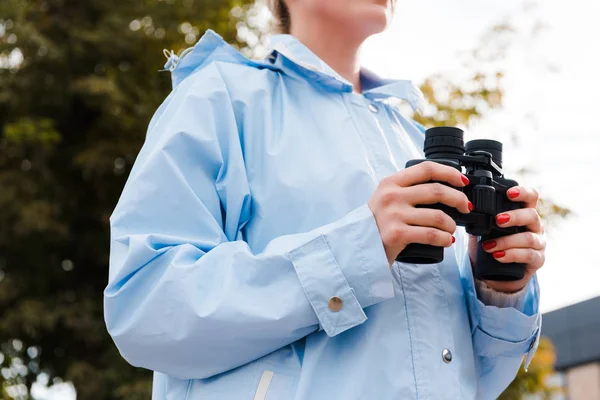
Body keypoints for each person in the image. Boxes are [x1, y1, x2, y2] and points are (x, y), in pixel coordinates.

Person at [104, 0, 546, 399]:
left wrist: (501, 289)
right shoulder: (219, 98)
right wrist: (360, 247)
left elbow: (475, 379)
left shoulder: (412, 140)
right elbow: (145, 310)